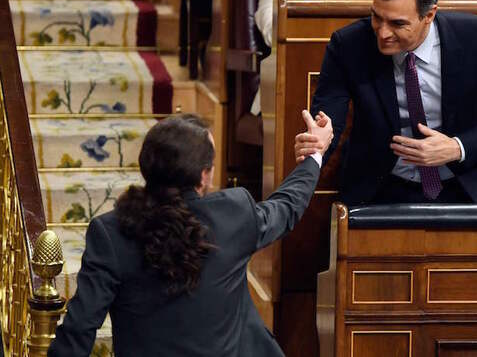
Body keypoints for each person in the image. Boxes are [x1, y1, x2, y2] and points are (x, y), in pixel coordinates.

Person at [48, 110, 333, 356]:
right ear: (204, 176)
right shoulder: (233, 215)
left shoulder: (109, 233)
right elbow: (287, 206)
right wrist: (315, 156)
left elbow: (79, 329)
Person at [295, 0, 477, 206]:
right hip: (380, 189)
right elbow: (328, 116)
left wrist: (457, 147)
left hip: (465, 186)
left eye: (398, 23)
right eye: (377, 17)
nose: (383, 32)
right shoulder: (349, 44)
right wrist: (319, 143)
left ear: (429, 15)